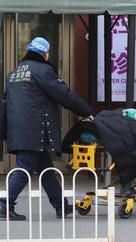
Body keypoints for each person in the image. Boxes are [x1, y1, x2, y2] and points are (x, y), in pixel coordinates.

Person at [0, 37, 92, 220]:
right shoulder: (43, 70)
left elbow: (5, 102)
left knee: (46, 169)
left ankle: (60, 206)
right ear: (45, 53)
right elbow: (63, 94)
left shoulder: (14, 73)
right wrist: (85, 110)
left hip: (19, 128)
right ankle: (4, 205)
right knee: (24, 166)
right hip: (35, 129)